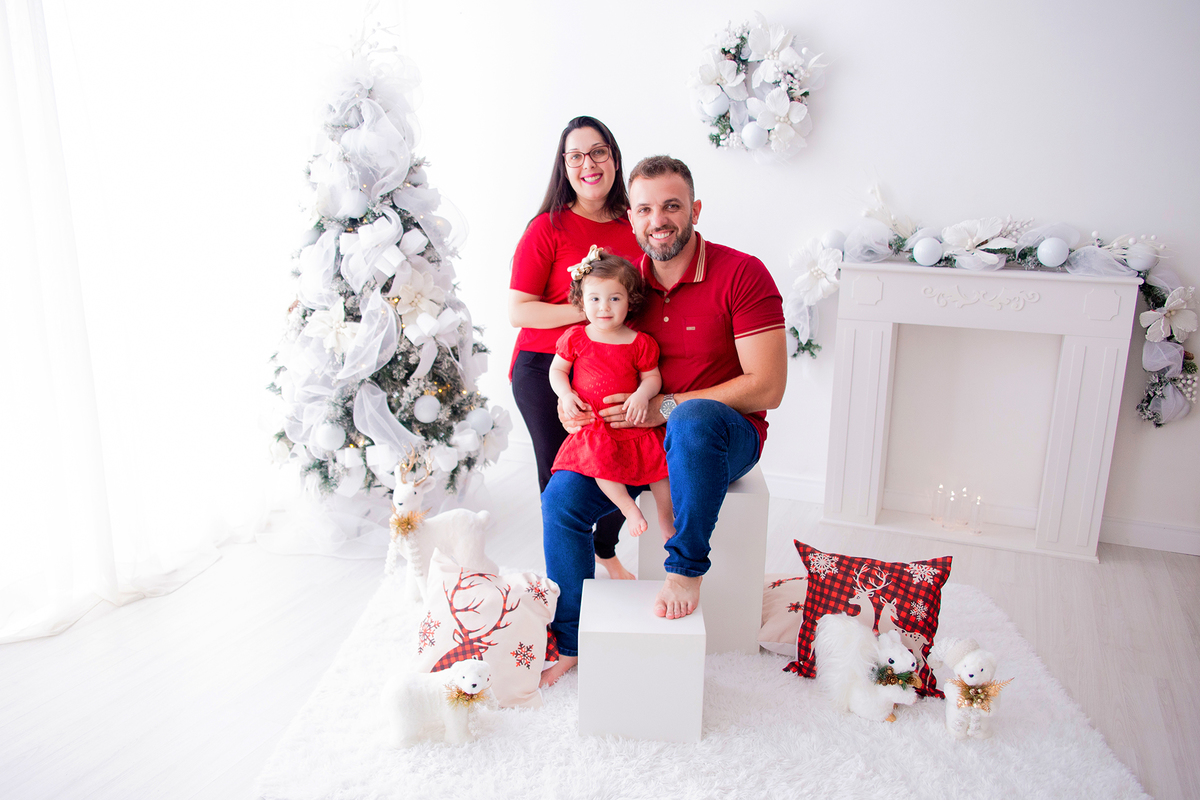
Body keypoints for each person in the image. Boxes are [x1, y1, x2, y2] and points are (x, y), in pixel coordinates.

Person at [540, 155, 787, 687]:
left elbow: (769, 386)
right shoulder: (624, 286)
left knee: (692, 418)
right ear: (631, 217)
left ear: (695, 210)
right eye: (646, 209)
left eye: (672, 206)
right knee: (560, 501)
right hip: (633, 440)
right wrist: (569, 399)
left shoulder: (742, 273)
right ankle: (571, 639)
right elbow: (585, 352)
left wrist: (666, 406)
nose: (659, 220)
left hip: (721, 435)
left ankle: (686, 569)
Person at [508, 116, 641, 580]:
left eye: (598, 152)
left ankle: (604, 549)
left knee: (630, 461)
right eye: (576, 156)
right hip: (548, 367)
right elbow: (520, 311)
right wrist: (592, 310)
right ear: (564, 166)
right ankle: (568, 590)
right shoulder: (547, 227)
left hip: (615, 366)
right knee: (564, 480)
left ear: (614, 158)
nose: (589, 164)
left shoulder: (635, 223)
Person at [548, 247, 674, 540]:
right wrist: (565, 395)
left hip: (633, 422)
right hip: (596, 425)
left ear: (631, 301)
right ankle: (629, 508)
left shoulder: (640, 342)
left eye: (614, 299)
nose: (604, 307)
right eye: (595, 299)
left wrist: (642, 395)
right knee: (600, 466)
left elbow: (652, 378)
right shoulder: (576, 337)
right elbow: (557, 371)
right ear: (581, 301)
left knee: (661, 467)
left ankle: (666, 518)